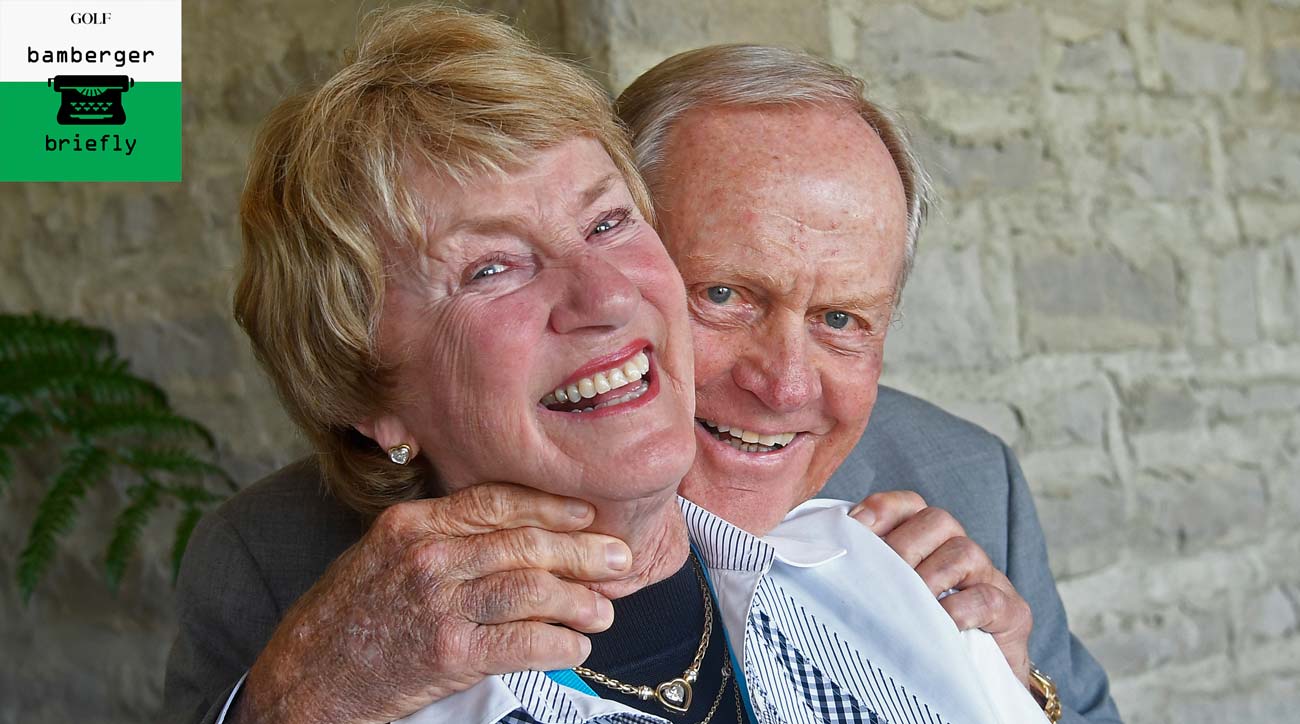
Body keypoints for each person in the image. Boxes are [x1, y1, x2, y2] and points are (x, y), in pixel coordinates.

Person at [165, 6, 1047, 724]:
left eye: (606, 223)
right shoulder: (314, 620)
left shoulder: (904, 551)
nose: (605, 297)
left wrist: (1003, 688)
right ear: (365, 392)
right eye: (490, 268)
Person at [615, 45, 1122, 724]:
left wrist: (1015, 689)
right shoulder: (446, 543)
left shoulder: (969, 479)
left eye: (839, 318)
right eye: (725, 294)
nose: (787, 386)